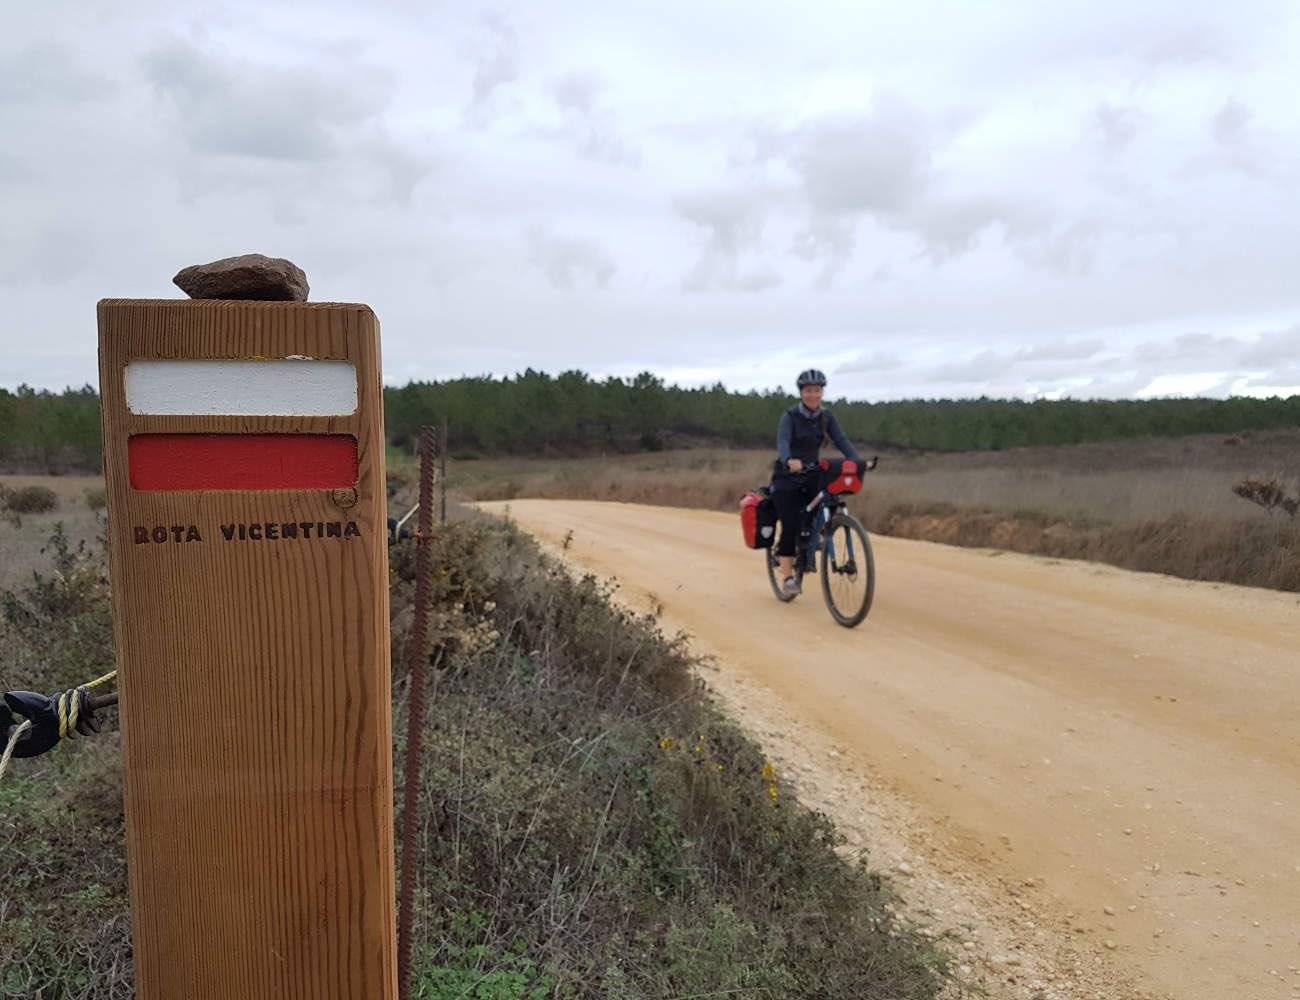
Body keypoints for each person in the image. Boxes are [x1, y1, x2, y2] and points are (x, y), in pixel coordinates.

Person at [771, 369, 862, 596]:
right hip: (787, 476)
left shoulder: (826, 417)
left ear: (822, 392)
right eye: (809, 391)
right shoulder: (790, 417)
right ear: (801, 393)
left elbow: (841, 440)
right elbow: (782, 442)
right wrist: (788, 460)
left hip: (813, 472)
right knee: (791, 524)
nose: (813, 395)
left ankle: (813, 542)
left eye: (817, 391)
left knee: (823, 505)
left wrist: (857, 461)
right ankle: (788, 577)